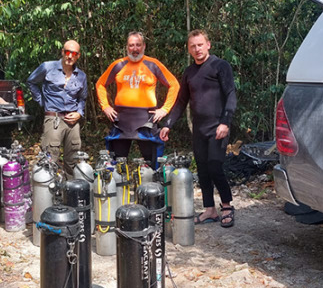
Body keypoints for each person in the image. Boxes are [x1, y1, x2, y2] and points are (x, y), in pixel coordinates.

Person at [160, 30, 237, 228]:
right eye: (193, 46)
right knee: (202, 169)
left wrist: (225, 122)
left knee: (215, 165)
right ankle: (210, 209)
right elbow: (181, 101)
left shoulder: (220, 66)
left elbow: (230, 94)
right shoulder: (189, 72)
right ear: (189, 49)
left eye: (200, 45)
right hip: (199, 129)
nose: (197, 49)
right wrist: (168, 124)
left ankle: (227, 206)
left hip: (217, 127)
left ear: (208, 45)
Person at [96, 31, 179, 168]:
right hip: (121, 120)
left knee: (152, 163)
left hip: (146, 119)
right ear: (127, 47)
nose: (135, 49)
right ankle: (118, 188)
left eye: (138, 45)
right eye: (131, 45)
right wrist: (106, 106)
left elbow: (174, 84)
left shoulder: (153, 64)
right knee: (117, 164)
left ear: (144, 46)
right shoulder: (118, 65)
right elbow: (100, 84)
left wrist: (165, 109)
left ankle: (152, 187)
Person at [27, 40, 88, 174]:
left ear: (78, 56)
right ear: (62, 52)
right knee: (50, 158)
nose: (70, 56)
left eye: (74, 53)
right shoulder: (47, 67)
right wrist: (43, 102)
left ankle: (69, 191)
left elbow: (82, 98)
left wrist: (79, 113)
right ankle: (49, 192)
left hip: (72, 122)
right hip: (53, 119)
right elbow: (31, 81)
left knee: (72, 160)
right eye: (67, 52)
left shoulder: (81, 76)